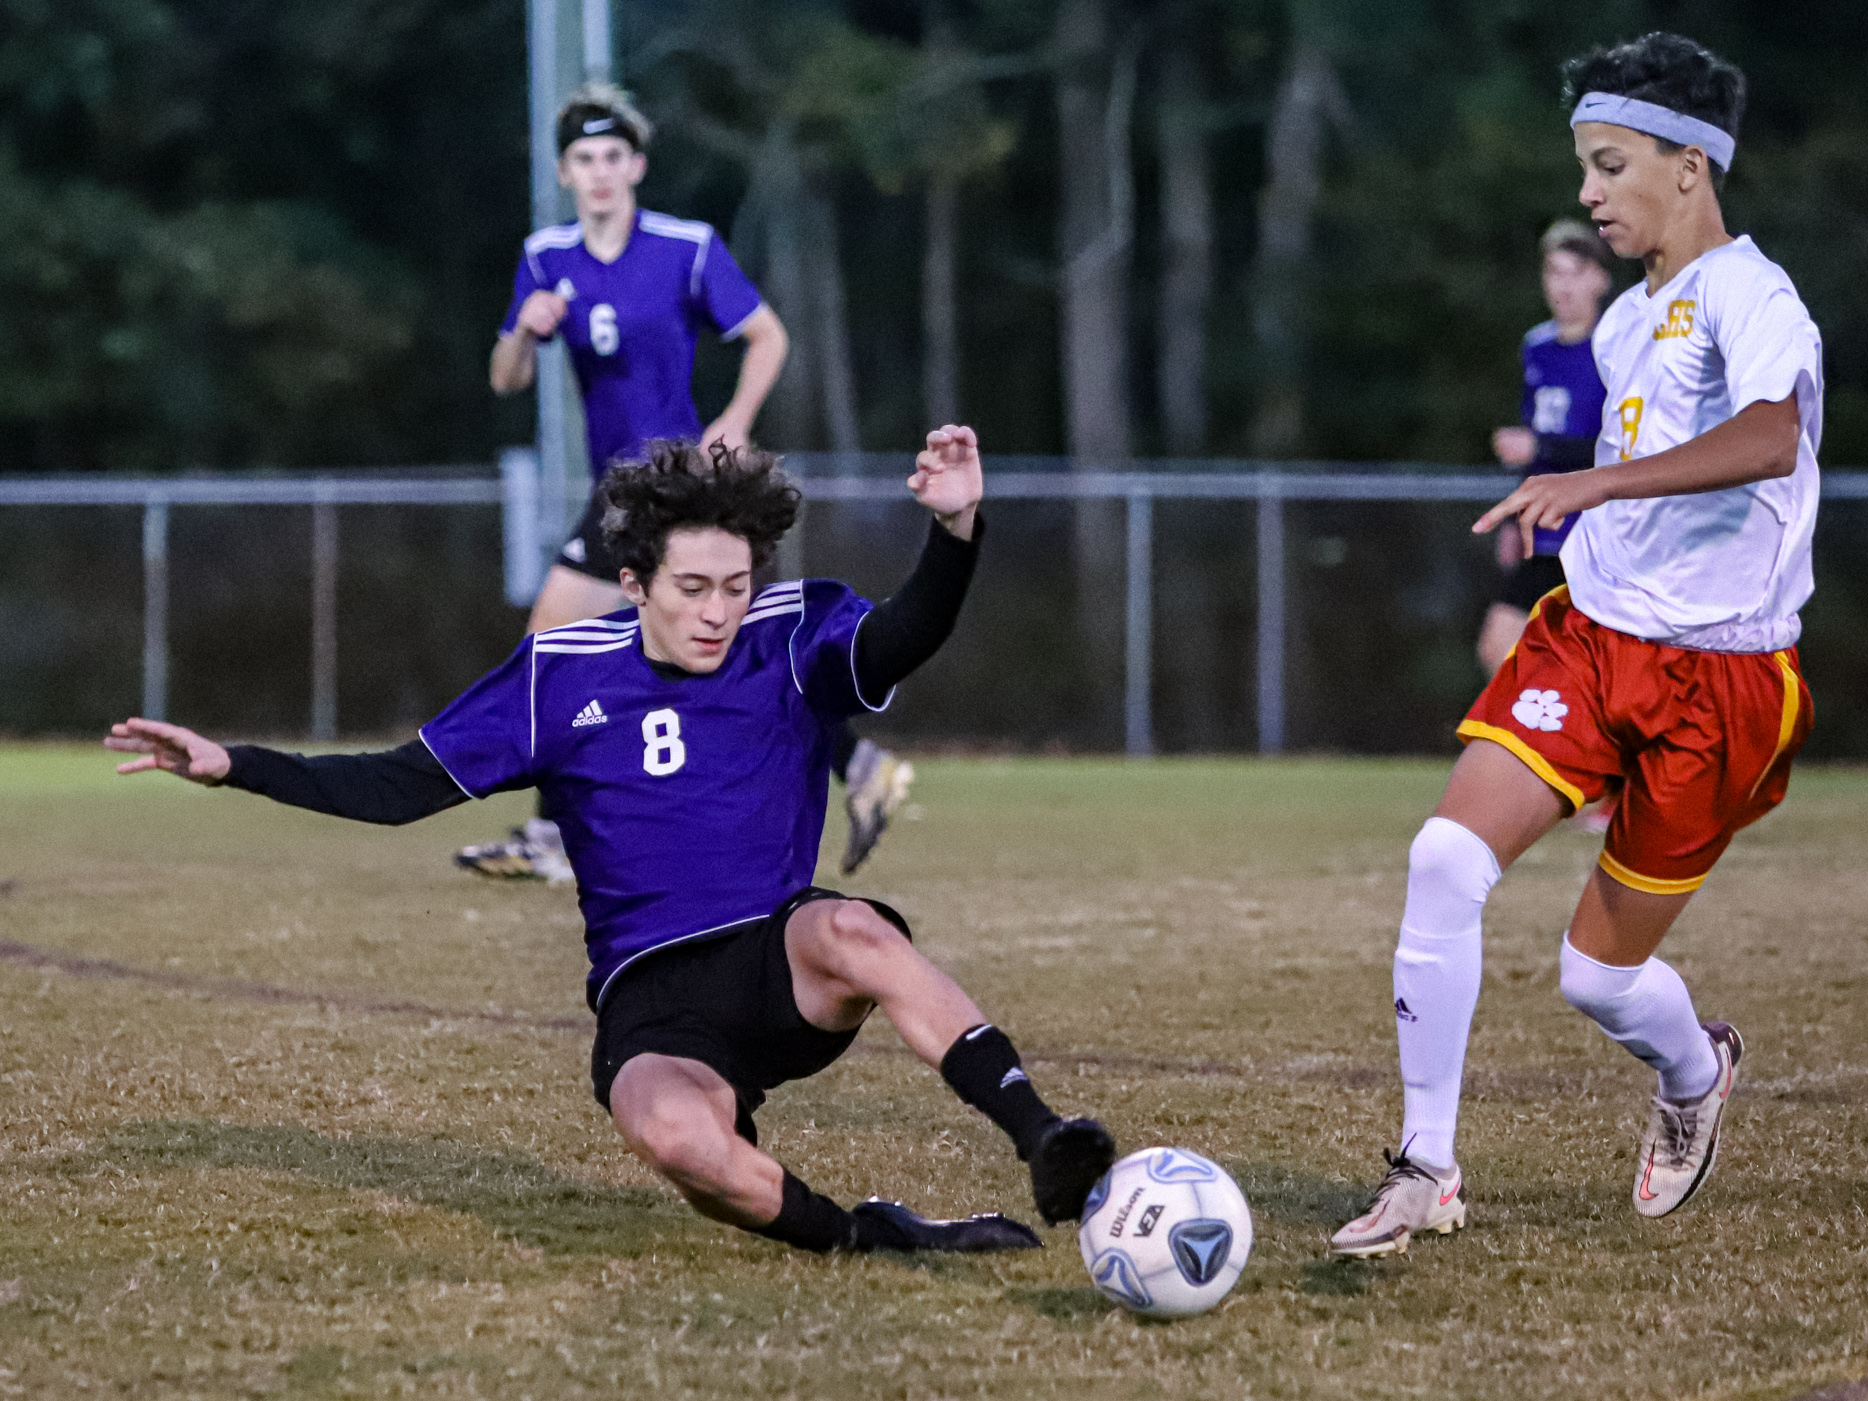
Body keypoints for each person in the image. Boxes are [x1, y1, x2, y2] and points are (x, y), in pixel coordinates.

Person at [106, 428, 1119, 1256]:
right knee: (676, 1141)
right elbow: (398, 785)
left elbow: (904, 633)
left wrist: (953, 530)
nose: (718, 610)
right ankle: (869, 1238)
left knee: (851, 927)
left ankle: (1044, 1141)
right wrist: (234, 763)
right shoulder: (557, 675)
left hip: (778, 960)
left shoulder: (788, 637)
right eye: (691, 589)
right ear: (633, 583)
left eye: (733, 584)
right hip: (651, 1000)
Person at [1331, 31, 1821, 1257]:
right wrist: (1579, 493)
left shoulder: (1754, 299)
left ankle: (1692, 1073)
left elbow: (1769, 439)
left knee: (1595, 982)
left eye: (1609, 167)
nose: (1589, 194)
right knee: (1443, 859)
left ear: (1689, 166)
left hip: (1718, 681)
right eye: (1584, 169)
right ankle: (1423, 1169)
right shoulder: (1618, 330)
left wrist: (1593, 489)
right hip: (1590, 642)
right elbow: (1625, 476)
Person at [466, 81, 911, 885]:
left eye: (612, 157)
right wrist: (525, 335)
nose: (599, 172)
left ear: (635, 166)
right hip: (619, 488)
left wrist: (735, 418)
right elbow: (503, 378)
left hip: (673, 486)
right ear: (565, 173)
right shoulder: (547, 259)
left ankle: (554, 836)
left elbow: (767, 335)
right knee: (690, 651)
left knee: (561, 648)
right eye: (583, 159)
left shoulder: (685, 246)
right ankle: (863, 761)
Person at [1477, 220, 1613, 678]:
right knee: (1501, 647)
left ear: (1600, 278)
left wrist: (1541, 443)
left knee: (1591, 667)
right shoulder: (1537, 347)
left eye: (1575, 271)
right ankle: (1543, 745)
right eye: (1554, 272)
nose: (1563, 285)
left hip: (1598, 536)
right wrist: (1516, 519)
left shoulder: (1617, 347)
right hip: (1547, 532)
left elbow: (1624, 451)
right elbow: (1534, 449)